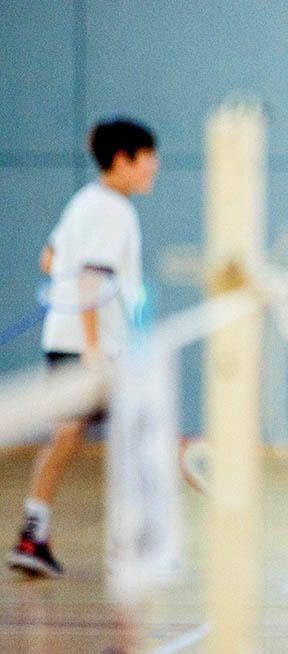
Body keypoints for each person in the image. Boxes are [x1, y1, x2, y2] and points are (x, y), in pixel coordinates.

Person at [7, 118, 158, 577]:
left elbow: (50, 258)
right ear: (122, 160)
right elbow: (91, 275)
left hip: (64, 338)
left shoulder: (83, 203)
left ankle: (35, 534)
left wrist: (67, 287)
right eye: (148, 158)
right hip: (94, 350)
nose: (156, 167)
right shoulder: (112, 211)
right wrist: (93, 347)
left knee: (69, 437)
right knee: (143, 433)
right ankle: (133, 543)